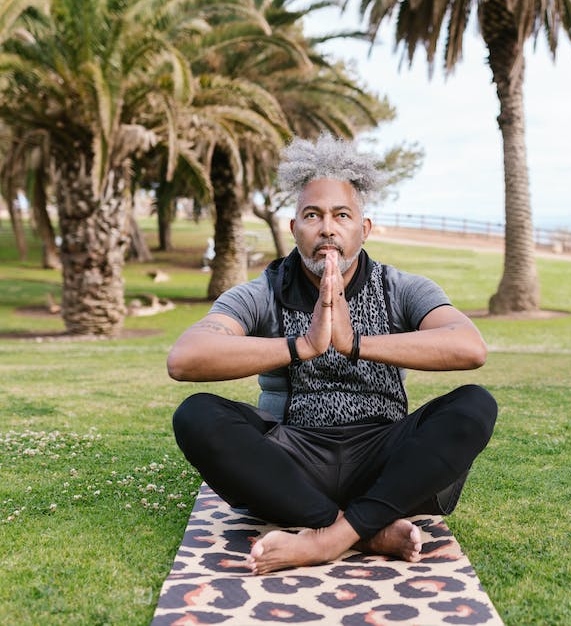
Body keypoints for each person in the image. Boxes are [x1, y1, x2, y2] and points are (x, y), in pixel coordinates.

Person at [167, 134, 498, 575]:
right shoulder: (264, 291)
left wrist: (354, 344)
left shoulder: (399, 287)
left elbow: (469, 346)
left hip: (385, 458)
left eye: (342, 215)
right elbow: (185, 358)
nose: (327, 228)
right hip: (295, 462)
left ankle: (329, 538)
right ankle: (367, 529)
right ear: (294, 228)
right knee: (196, 416)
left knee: (475, 404)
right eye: (312, 215)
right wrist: (302, 346)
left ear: (364, 229)